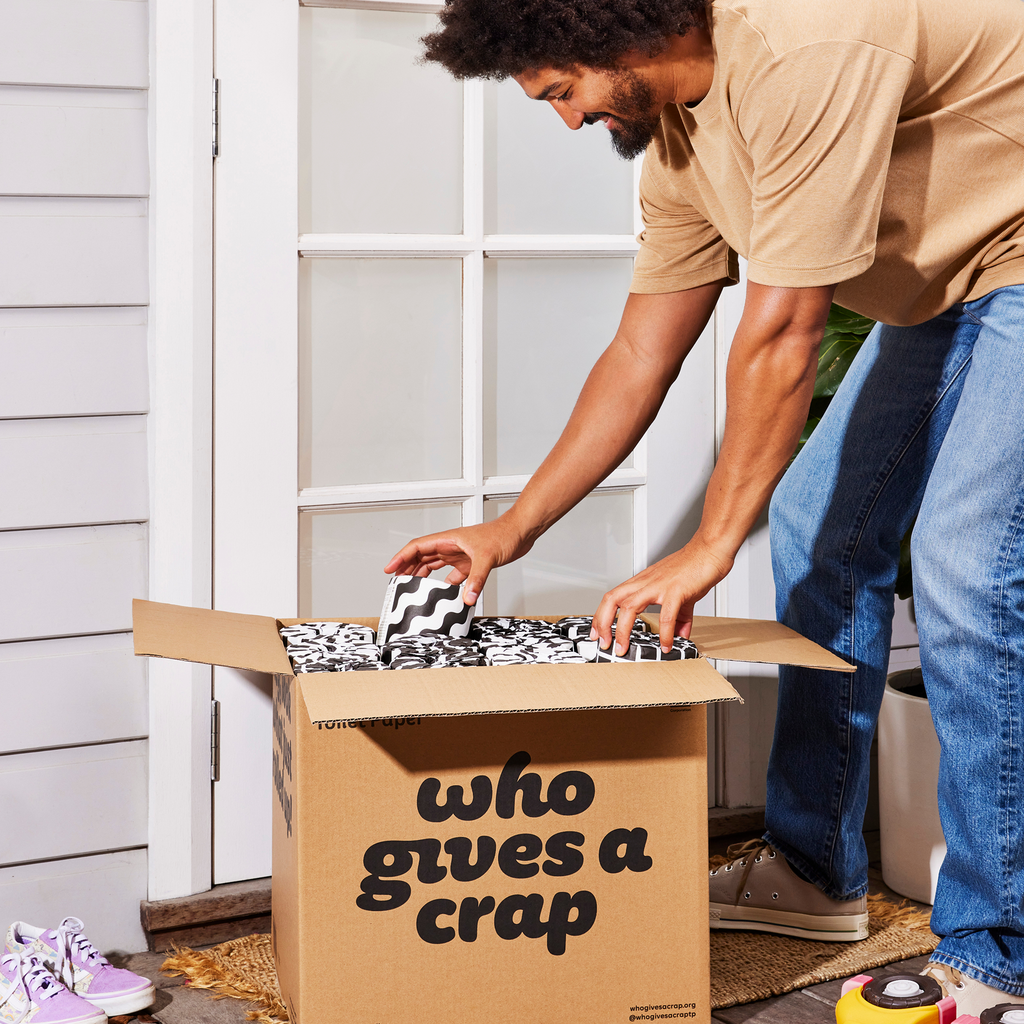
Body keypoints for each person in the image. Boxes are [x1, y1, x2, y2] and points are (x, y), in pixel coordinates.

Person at [384, 0, 1024, 1011]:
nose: (565, 119)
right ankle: (814, 876)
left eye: (560, 91)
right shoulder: (682, 148)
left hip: (1019, 256)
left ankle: (999, 954)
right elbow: (642, 353)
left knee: (965, 564)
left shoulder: (801, 47)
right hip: (956, 280)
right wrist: (509, 528)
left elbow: (781, 330)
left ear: (604, 32)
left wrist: (712, 541)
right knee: (820, 529)